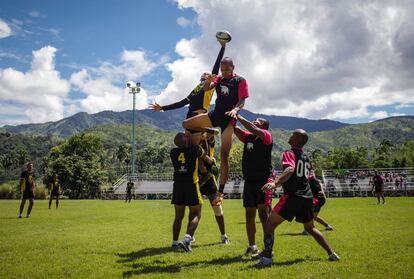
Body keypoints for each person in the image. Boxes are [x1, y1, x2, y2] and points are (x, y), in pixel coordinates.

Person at [256, 129, 339, 267]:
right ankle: (332, 253)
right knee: (311, 227)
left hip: (293, 196)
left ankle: (267, 258)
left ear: (296, 140)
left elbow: (289, 170)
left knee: (269, 224)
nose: (290, 136)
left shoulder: (289, 153)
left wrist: (275, 183)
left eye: (292, 135)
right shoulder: (306, 157)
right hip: (307, 197)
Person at [183, 57, 249, 204]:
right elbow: (206, 88)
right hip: (215, 115)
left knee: (224, 154)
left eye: (227, 70)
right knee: (186, 124)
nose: (224, 72)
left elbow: (242, 100)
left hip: (229, 118)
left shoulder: (240, 81)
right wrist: (208, 80)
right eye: (222, 69)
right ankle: (209, 131)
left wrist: (235, 109)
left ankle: (221, 191)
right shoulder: (219, 78)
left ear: (233, 68)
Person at [233, 115, 273, 257]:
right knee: (249, 214)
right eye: (255, 119)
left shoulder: (266, 136)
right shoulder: (249, 137)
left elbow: (251, 127)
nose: (255, 120)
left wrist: (237, 114)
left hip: (264, 180)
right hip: (249, 181)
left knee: (263, 214)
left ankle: (268, 249)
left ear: (264, 126)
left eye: (259, 120)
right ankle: (252, 246)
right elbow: (235, 129)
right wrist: (229, 118)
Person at [170, 132, 216, 252]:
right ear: (186, 141)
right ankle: (187, 239)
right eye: (187, 138)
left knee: (178, 216)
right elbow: (208, 160)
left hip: (177, 186)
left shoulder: (173, 152)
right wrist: (212, 161)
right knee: (197, 213)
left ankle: (174, 243)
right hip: (191, 184)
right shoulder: (195, 149)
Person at [198, 133, 230, 244]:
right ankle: (190, 236)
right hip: (196, 178)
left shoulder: (208, 138)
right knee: (195, 210)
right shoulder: (193, 139)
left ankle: (224, 235)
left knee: (217, 207)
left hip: (208, 177)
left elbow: (212, 134)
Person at [302, 170, 333, 234]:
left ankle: (308, 230)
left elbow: (320, 184)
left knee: (306, 214)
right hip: (320, 199)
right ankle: (328, 226)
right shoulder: (313, 180)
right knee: (314, 216)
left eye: (311, 172)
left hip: (317, 199)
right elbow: (320, 184)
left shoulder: (311, 179)